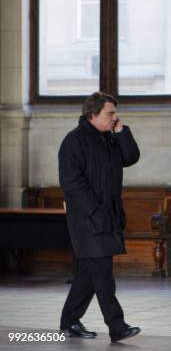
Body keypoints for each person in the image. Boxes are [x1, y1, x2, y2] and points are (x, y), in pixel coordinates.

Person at [58, 92, 141, 343]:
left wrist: (122, 132)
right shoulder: (74, 142)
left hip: (108, 216)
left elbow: (131, 157)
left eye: (115, 113)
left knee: (89, 274)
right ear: (93, 114)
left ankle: (69, 320)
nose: (115, 117)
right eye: (110, 113)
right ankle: (117, 326)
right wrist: (96, 211)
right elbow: (72, 184)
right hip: (87, 219)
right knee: (102, 273)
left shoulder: (110, 139)